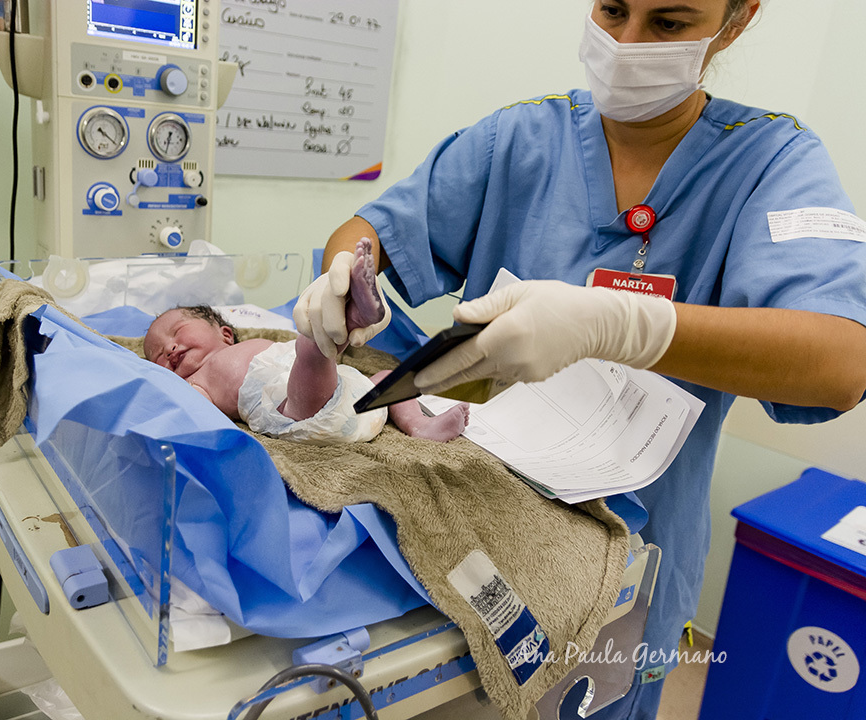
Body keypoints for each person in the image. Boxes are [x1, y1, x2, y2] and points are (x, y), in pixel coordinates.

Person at [293, 0, 866, 717]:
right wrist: (346, 268)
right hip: (471, 529)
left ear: (736, 20)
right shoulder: (519, 139)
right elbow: (372, 231)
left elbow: (841, 362)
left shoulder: (771, 162)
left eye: (668, 23)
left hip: (625, 559)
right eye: (613, 10)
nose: (626, 43)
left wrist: (626, 326)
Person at [143, 239, 470, 446]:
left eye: (178, 330)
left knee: (386, 378)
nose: (169, 349)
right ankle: (344, 319)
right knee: (312, 351)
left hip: (350, 394)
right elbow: (188, 407)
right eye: (156, 354)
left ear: (225, 333)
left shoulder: (253, 342)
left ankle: (419, 425)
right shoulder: (198, 381)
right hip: (298, 412)